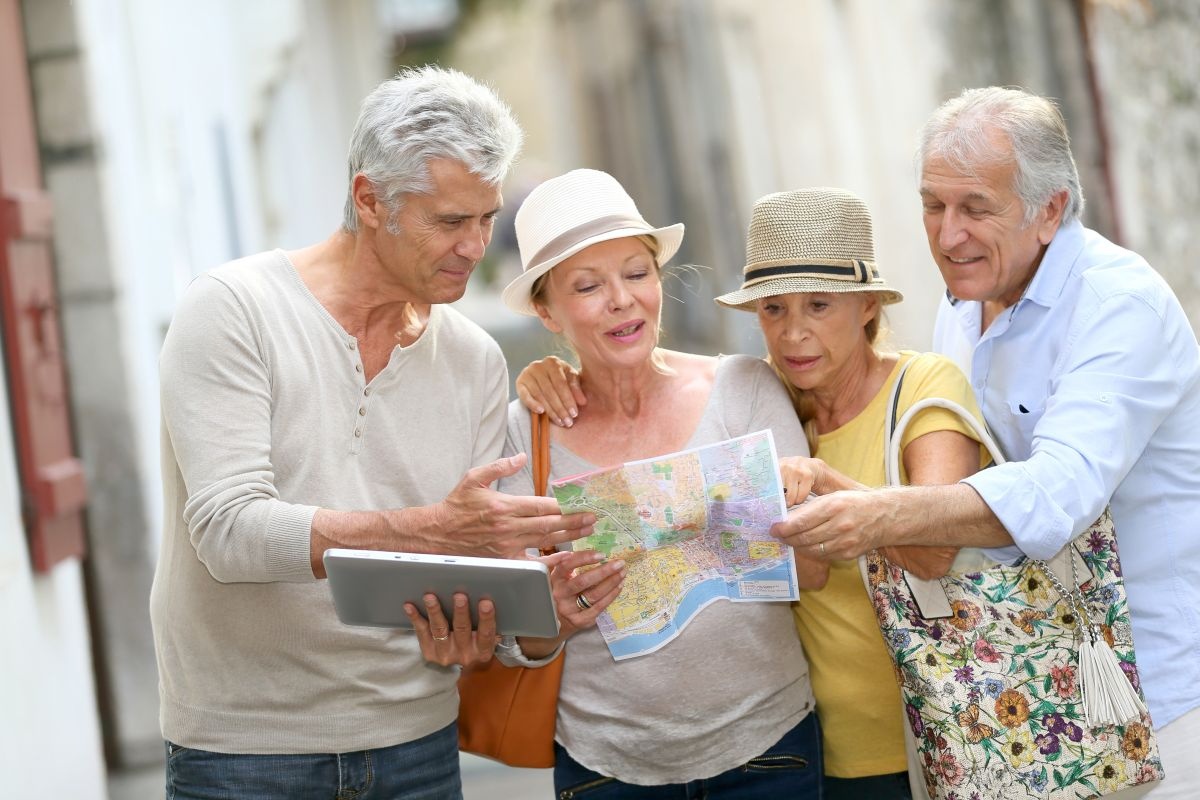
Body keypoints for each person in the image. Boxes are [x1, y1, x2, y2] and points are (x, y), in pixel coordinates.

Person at [150, 66, 594, 800]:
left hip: (414, 745)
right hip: (243, 752)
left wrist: (499, 624)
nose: (476, 244)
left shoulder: (473, 358)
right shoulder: (231, 310)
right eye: (450, 222)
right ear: (370, 199)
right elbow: (229, 533)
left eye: (486, 218)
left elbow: (489, 573)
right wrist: (433, 531)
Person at [773, 87, 1200, 797]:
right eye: (932, 205)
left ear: (1052, 209)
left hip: (1158, 692)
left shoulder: (1117, 303)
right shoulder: (964, 301)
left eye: (975, 207)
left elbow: (1058, 491)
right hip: (1037, 696)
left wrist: (879, 514)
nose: (947, 235)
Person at [518, 186, 990, 799]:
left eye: (819, 305)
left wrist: (821, 482)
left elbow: (930, 552)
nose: (794, 335)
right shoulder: (777, 393)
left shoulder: (916, 385)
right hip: (821, 742)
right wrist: (545, 372)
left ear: (869, 304)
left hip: (927, 725)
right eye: (773, 311)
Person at [495, 168, 822, 798]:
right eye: (587, 286)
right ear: (546, 310)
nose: (622, 299)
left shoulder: (744, 387)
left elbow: (811, 572)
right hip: (605, 766)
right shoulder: (524, 434)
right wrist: (558, 614)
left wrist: (787, 506)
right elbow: (521, 641)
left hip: (767, 751)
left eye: (637, 274)